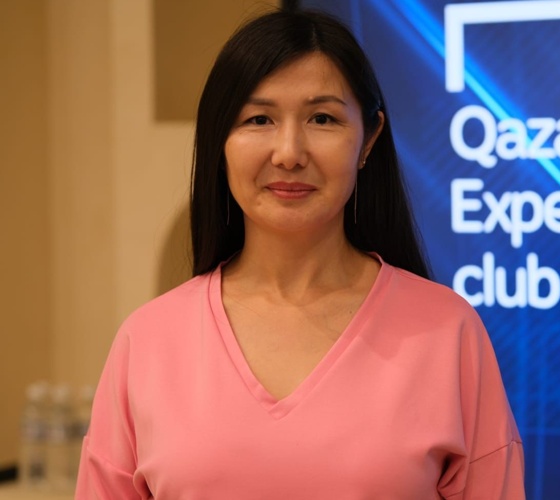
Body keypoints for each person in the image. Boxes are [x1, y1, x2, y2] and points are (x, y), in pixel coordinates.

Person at [76, 8, 524, 499]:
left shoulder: (449, 332)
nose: (289, 152)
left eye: (322, 118)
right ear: (219, 140)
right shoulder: (147, 341)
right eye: (259, 119)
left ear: (369, 139)